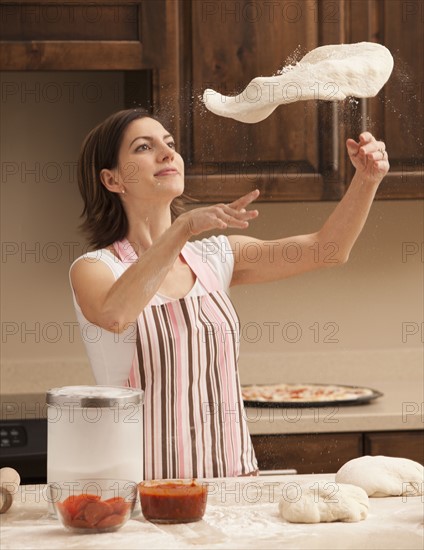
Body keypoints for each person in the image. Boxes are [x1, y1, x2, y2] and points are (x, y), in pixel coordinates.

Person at [70, 108, 390, 480]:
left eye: (169, 144)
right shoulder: (95, 269)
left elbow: (327, 249)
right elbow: (115, 314)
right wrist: (183, 228)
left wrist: (367, 180)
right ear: (112, 179)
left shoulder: (216, 258)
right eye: (144, 147)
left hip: (230, 480)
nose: (166, 153)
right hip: (139, 488)